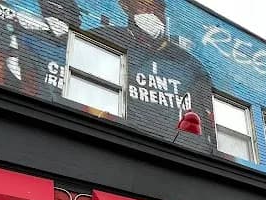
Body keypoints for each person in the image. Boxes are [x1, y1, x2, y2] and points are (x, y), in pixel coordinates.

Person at [87, 0, 216, 153]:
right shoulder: (104, 39)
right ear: (125, 6)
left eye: (159, 9)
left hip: (176, 154)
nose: (152, 14)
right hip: (112, 142)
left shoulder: (190, 64)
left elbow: (209, 122)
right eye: (144, 6)